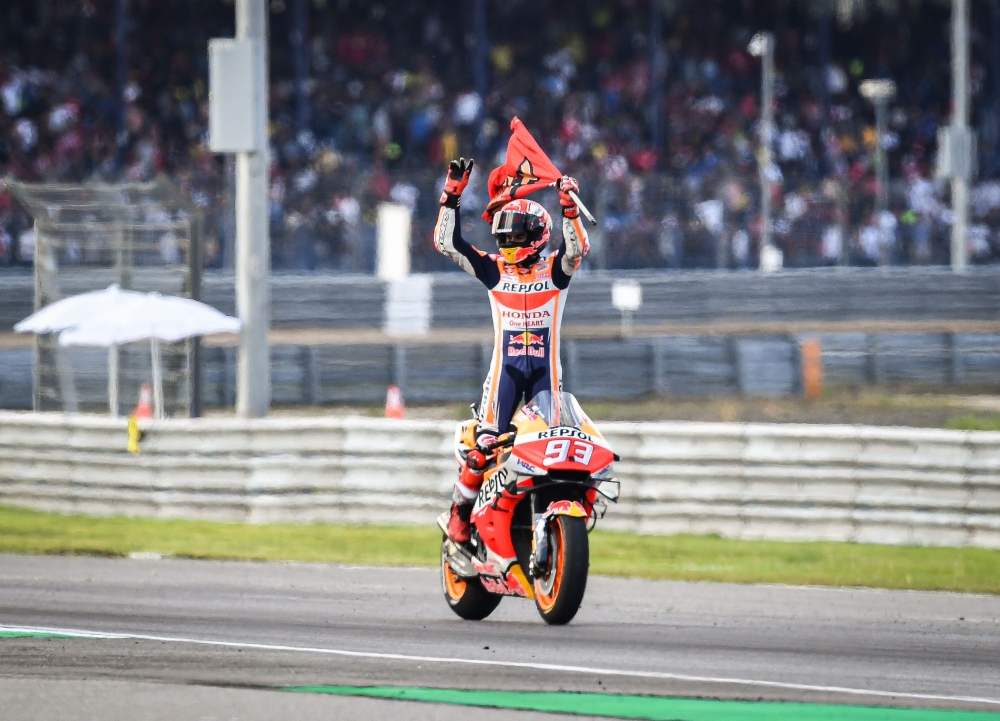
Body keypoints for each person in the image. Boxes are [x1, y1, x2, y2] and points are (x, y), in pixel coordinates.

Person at [432, 157, 590, 543]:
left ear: (536, 235)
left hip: (545, 377)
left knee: (556, 451)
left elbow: (577, 249)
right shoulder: (493, 269)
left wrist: (569, 206)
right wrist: (452, 193)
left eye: (515, 235)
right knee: (484, 446)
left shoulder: (555, 270)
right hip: (504, 372)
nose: (507, 243)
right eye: (503, 235)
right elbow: (445, 243)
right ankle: (459, 513)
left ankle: (549, 520)